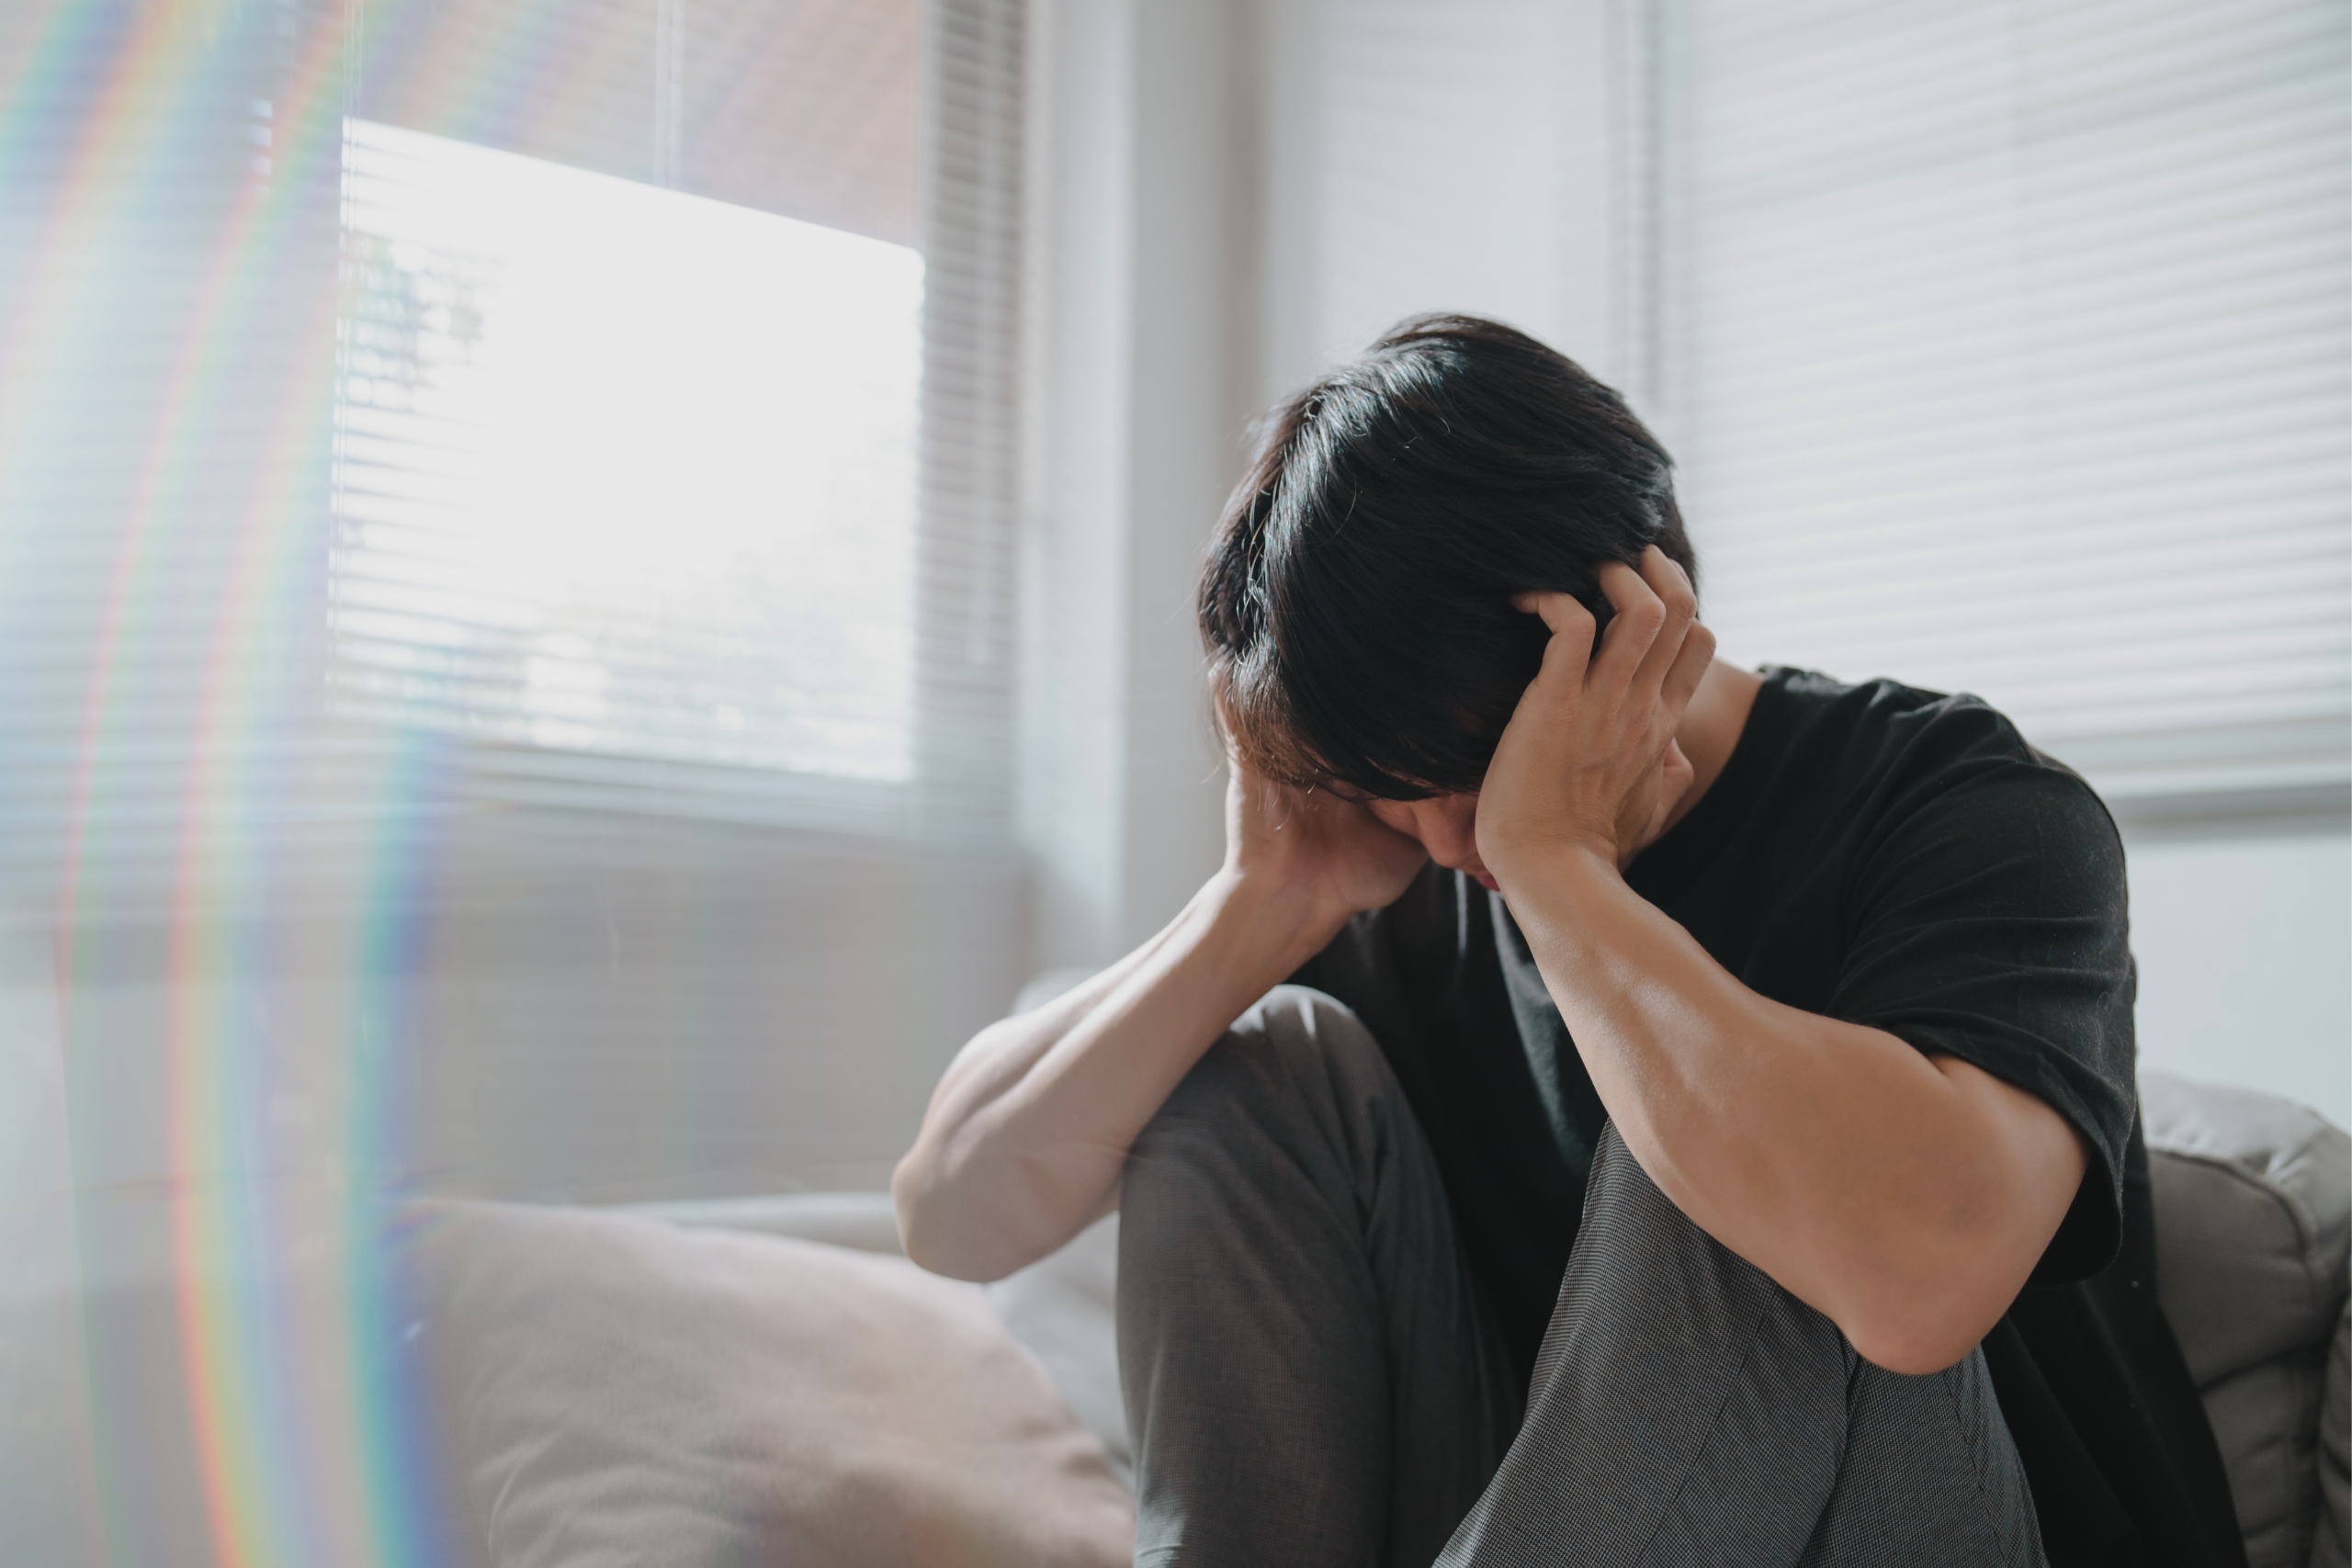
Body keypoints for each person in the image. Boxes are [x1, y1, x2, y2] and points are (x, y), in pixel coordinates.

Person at [892, 316, 2244, 1567]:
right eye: (1387, 783)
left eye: (1468, 772)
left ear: (1634, 621)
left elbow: (1920, 1279)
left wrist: (1563, 866)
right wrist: (1265, 898)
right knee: (1254, 1056)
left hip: (1957, 1520)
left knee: (1726, 1138)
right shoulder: (1398, 858)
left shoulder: (1966, 802)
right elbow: (952, 1210)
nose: (1438, 842)